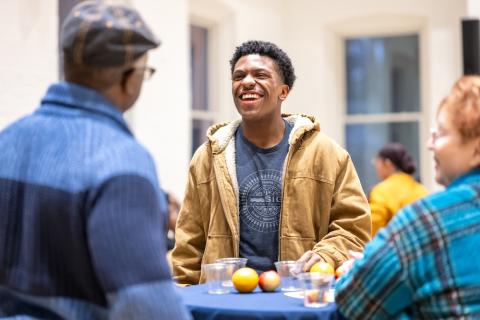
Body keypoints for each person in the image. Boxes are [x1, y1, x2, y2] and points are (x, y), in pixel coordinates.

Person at [0, 1, 190, 319]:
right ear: (129, 78)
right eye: (146, 71)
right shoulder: (122, 161)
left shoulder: (6, 141)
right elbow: (144, 306)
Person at [172, 40, 371, 285]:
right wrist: (183, 296)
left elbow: (353, 227)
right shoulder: (208, 157)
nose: (246, 81)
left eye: (260, 75)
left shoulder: (326, 154)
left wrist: (325, 254)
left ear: (283, 91)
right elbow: (188, 244)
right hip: (225, 303)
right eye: (239, 76)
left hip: (298, 300)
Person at [335, 76, 480, 319]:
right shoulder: (420, 192)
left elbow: (354, 303)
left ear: (476, 149)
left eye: (440, 134)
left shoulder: (425, 220)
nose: (429, 144)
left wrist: (370, 265)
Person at [370, 143, 428, 236]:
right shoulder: (421, 189)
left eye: (377, 162)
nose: (376, 167)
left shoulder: (381, 191)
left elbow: (374, 228)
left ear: (387, 163)